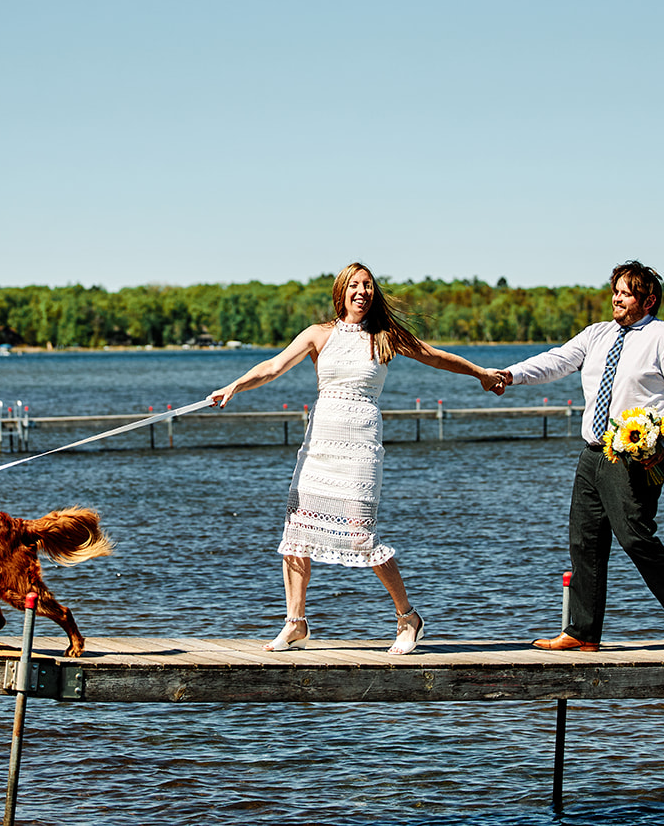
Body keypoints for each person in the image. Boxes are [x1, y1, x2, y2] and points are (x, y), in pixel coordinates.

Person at [210, 262, 502, 655]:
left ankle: (408, 618)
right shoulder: (319, 334)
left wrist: (480, 373)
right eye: (354, 285)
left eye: (367, 285)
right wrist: (235, 386)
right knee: (297, 534)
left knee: (361, 535)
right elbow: (274, 366)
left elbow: (435, 357)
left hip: (361, 445)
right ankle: (295, 623)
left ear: (374, 293)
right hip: (320, 445)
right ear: (341, 292)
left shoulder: (384, 336)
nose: (361, 291)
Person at [491, 261, 664, 655]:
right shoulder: (598, 334)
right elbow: (556, 360)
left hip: (635, 458)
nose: (616, 298)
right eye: (615, 291)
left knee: (635, 538)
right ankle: (584, 632)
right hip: (593, 454)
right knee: (584, 541)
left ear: (648, 299)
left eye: (625, 293)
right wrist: (510, 374)